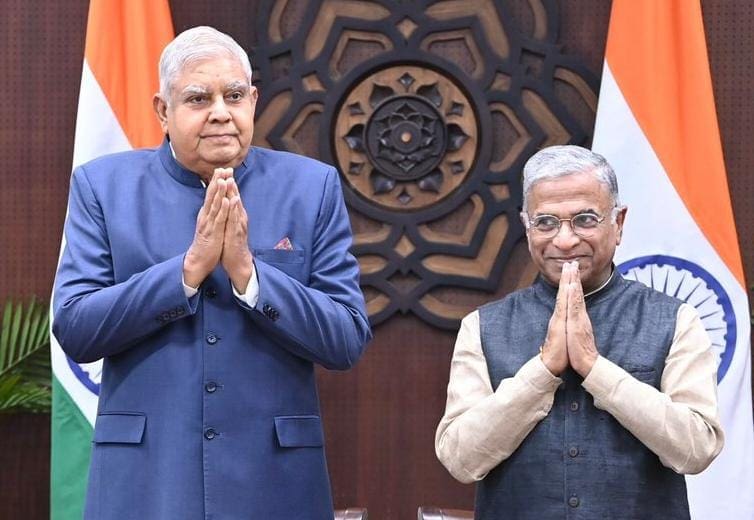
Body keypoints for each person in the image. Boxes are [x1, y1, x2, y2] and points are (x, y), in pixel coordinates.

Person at [53, 26, 371, 520]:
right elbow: (75, 327)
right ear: (163, 111)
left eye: (234, 96)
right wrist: (187, 271)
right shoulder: (104, 187)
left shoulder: (311, 187)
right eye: (199, 98)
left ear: (254, 101)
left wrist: (248, 273)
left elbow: (346, 338)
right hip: (147, 481)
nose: (220, 112)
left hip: (274, 482)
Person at [435, 145, 723, 519]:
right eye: (546, 222)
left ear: (618, 223)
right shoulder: (483, 326)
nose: (565, 240)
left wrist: (594, 368)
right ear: (526, 227)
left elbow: (698, 448)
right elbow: (460, 458)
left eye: (585, 219)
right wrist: (542, 371)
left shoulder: (675, 319)